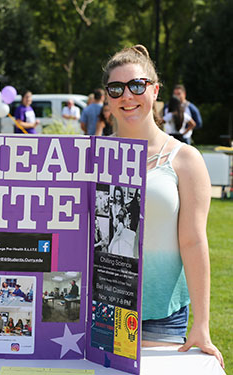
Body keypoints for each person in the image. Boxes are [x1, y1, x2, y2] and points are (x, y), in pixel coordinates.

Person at [102, 44, 223, 368]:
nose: (127, 96)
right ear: (107, 97)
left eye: (137, 86)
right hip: (99, 310)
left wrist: (202, 325)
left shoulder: (185, 159)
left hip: (162, 316)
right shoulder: (91, 157)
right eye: (117, 88)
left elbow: (194, 241)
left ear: (155, 90)